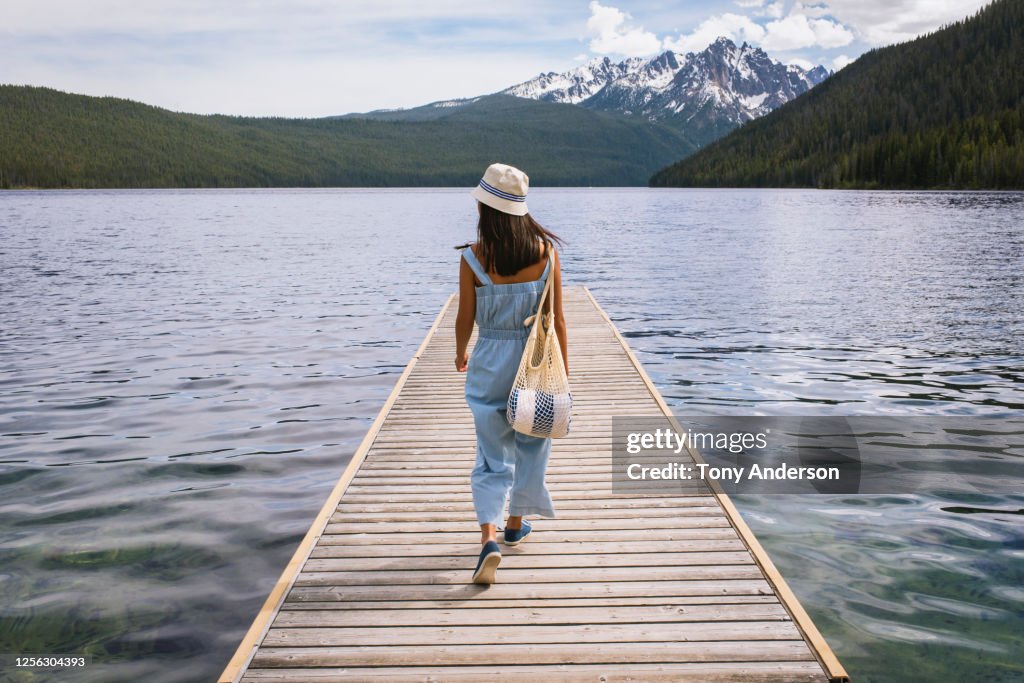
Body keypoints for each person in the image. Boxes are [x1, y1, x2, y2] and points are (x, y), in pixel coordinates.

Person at [455, 162, 568, 585]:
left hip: (489, 359)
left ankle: (489, 537)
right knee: (532, 444)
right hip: (535, 361)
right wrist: (566, 375)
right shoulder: (546, 254)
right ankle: (516, 523)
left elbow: (464, 317)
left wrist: (459, 352)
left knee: (490, 454)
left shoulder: (473, 257)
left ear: (486, 209)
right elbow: (558, 321)